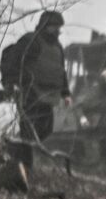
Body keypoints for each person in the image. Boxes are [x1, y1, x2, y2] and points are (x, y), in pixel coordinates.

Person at [6, 10, 70, 183]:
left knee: (46, 129)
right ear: (45, 26)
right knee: (28, 131)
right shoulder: (30, 41)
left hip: (49, 95)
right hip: (30, 93)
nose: (57, 31)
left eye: (59, 28)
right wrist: (10, 84)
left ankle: (15, 152)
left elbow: (61, 72)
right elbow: (13, 62)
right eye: (54, 27)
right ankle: (24, 169)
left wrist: (66, 93)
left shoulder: (58, 48)